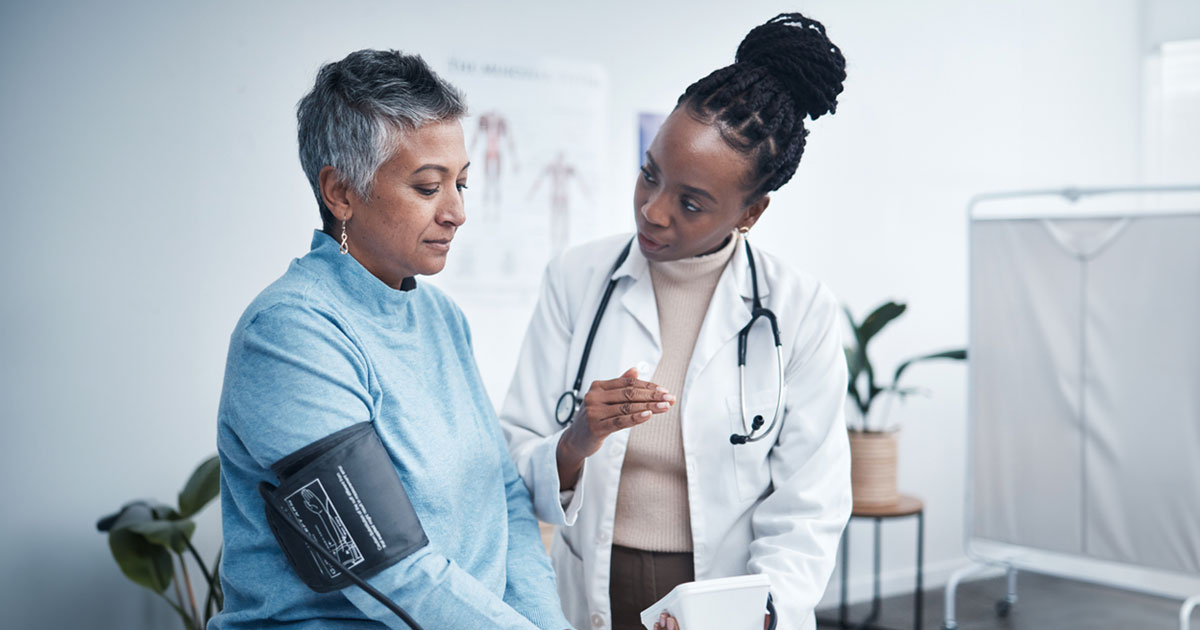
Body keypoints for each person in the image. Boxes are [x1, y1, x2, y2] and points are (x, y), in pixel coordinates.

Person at [499, 13, 852, 630]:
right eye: (648, 173)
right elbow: (513, 455)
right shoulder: (576, 278)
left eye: (690, 203)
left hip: (726, 603)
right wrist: (576, 441)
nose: (653, 212)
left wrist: (753, 615)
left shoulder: (800, 311)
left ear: (752, 212)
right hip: (588, 594)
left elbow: (809, 507)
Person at [210, 49, 570, 630]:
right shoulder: (289, 334)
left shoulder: (443, 319)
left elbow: (503, 497)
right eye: (428, 188)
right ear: (341, 193)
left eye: (462, 184)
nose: (456, 212)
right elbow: (389, 566)